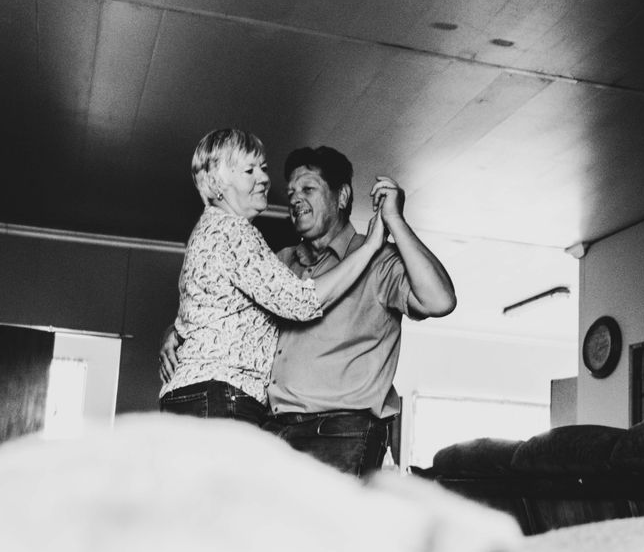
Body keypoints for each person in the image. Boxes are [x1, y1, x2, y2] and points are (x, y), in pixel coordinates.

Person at [162, 144, 456, 475]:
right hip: (272, 431)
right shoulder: (280, 260)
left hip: (341, 432)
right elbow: (226, 307)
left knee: (324, 528)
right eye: (291, 192)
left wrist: (395, 221)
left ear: (342, 196)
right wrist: (177, 332)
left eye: (308, 189)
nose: (295, 198)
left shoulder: (380, 262)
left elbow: (440, 300)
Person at [159, 129, 386, 425]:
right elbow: (302, 302)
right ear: (217, 184)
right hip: (219, 397)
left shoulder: (209, 229)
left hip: (193, 396)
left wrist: (175, 333)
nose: (264, 179)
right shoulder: (234, 231)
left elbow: (206, 311)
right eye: (249, 170)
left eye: (263, 168)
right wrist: (371, 246)